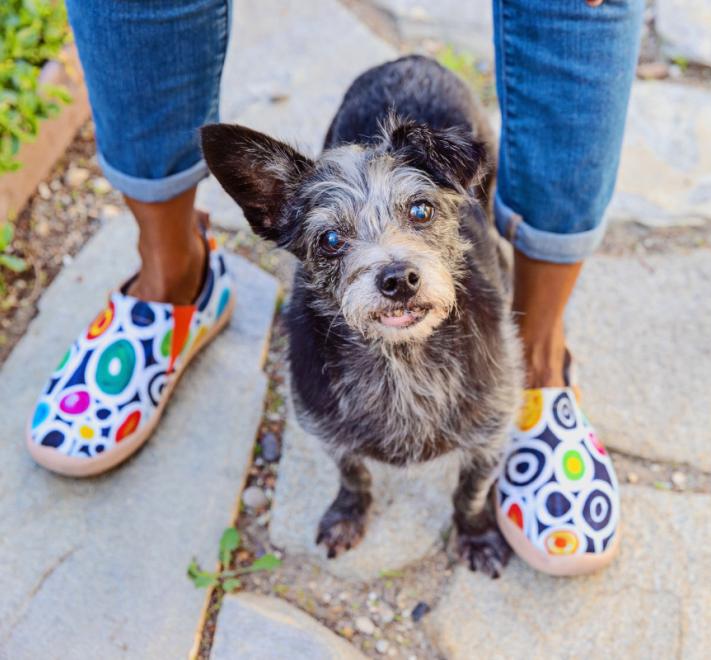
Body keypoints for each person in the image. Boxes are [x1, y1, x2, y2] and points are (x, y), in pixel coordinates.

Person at [26, 0, 642, 575]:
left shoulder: (455, 198)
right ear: (277, 219)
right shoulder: (321, 393)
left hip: (475, 323)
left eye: (420, 215)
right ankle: (174, 281)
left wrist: (473, 521)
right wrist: (351, 496)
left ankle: (538, 348)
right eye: (331, 242)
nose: (392, 268)